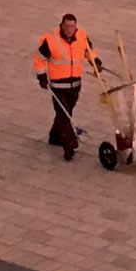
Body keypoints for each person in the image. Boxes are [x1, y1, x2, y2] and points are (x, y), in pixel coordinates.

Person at [35, 14, 101, 161]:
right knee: (64, 114)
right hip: (58, 85)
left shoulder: (82, 36)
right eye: (67, 26)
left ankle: (54, 136)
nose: (69, 30)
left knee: (65, 112)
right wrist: (41, 77)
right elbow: (39, 57)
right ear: (61, 25)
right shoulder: (51, 39)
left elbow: (88, 51)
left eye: (72, 26)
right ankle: (69, 144)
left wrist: (95, 62)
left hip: (75, 84)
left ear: (76, 26)